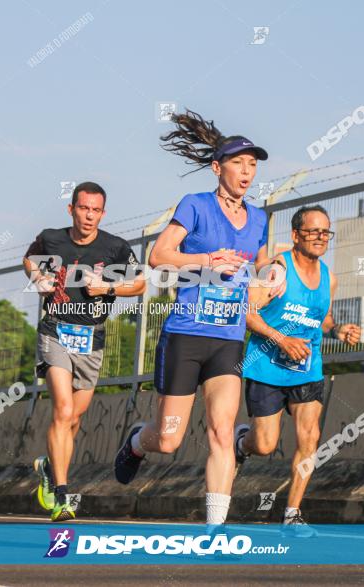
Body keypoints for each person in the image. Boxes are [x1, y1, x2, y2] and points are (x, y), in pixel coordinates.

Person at [113, 109, 278, 529]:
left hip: (227, 338)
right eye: (239, 163)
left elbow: (260, 268)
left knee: (223, 432)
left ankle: (214, 529)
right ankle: (136, 441)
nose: (247, 171)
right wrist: (207, 260)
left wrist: (271, 275)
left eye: (253, 164)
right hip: (185, 334)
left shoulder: (259, 218)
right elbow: (159, 256)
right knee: (168, 440)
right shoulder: (196, 206)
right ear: (217, 167)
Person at [234, 205, 361, 535]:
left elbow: (323, 317)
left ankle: (292, 514)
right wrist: (281, 338)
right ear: (295, 235)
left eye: (325, 232)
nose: (321, 238)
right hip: (266, 366)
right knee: (264, 444)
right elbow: (246, 313)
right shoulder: (276, 270)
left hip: (307, 368)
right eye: (313, 231)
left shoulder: (329, 278)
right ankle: (240, 444)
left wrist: (337, 330)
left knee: (310, 437)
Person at [25, 181, 146, 522]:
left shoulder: (115, 248)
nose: (89, 215)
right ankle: (63, 496)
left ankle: (50, 466)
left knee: (74, 418)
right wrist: (38, 277)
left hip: (92, 338)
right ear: (71, 209)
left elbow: (139, 283)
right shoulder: (52, 238)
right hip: (56, 332)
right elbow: (29, 258)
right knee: (63, 411)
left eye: (95, 210)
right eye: (83, 208)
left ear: (102, 213)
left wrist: (108, 286)